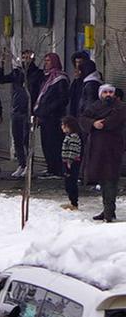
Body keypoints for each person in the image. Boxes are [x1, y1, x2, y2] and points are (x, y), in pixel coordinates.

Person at [80, 83, 126, 221]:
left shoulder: (121, 107)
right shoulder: (95, 106)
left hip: (113, 148)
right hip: (97, 148)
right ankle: (107, 209)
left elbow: (114, 121)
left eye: (110, 92)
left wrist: (102, 124)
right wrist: (93, 124)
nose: (108, 95)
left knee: (111, 179)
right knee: (102, 179)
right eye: (105, 92)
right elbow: (83, 119)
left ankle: (109, 211)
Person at [61, 115, 85, 212]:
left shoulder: (74, 137)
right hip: (67, 162)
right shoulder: (69, 136)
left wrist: (70, 161)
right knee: (68, 182)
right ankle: (72, 201)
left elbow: (73, 150)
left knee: (71, 183)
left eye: (63, 125)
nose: (61, 127)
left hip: (71, 163)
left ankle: (74, 203)